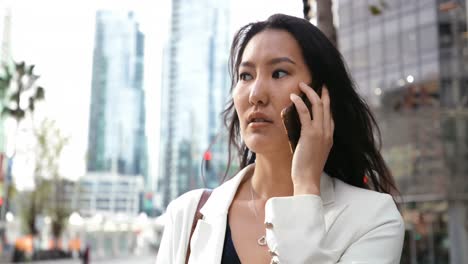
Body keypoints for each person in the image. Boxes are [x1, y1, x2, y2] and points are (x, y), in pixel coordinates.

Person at [156, 14, 405, 264]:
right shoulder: (188, 214)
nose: (256, 95)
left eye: (278, 73)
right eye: (245, 76)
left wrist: (306, 185)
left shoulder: (373, 218)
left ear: (321, 95)